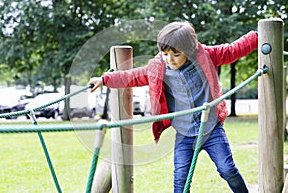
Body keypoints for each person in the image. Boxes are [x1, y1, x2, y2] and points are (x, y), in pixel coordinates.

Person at [88, 21, 258, 193]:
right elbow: (133, 76)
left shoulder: (205, 56)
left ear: (189, 50)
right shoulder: (158, 67)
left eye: (176, 54)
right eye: (165, 53)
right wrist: (104, 80)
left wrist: (257, 37)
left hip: (211, 130)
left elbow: (232, 50)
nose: (170, 59)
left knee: (227, 169)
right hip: (184, 134)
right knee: (180, 180)